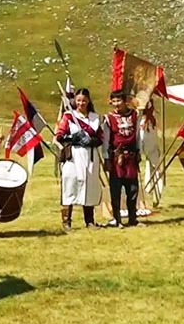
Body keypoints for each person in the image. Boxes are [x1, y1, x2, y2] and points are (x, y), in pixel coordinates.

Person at [54, 88, 103, 229]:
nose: (81, 103)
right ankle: (67, 221)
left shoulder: (95, 117)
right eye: (79, 100)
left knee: (89, 187)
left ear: (88, 101)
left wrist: (92, 141)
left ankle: (90, 221)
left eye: (84, 100)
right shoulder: (69, 116)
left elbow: (100, 137)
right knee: (71, 185)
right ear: (75, 101)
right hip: (74, 156)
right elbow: (60, 135)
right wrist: (72, 138)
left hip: (90, 156)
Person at [102, 90, 141, 227]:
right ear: (111, 102)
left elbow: (137, 135)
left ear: (125, 101)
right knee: (116, 190)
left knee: (132, 189)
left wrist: (139, 152)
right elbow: (106, 140)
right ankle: (117, 219)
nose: (117, 104)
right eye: (114, 101)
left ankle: (133, 218)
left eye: (119, 100)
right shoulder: (108, 118)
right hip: (116, 158)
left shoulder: (135, 115)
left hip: (131, 156)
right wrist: (106, 158)